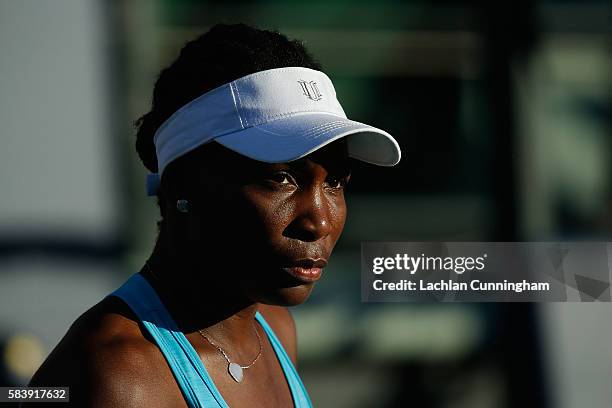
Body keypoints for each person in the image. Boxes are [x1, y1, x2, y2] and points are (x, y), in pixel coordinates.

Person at [25, 23, 400, 407]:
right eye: (282, 178)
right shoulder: (118, 374)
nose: (318, 221)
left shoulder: (274, 327)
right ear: (184, 185)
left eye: (335, 181)